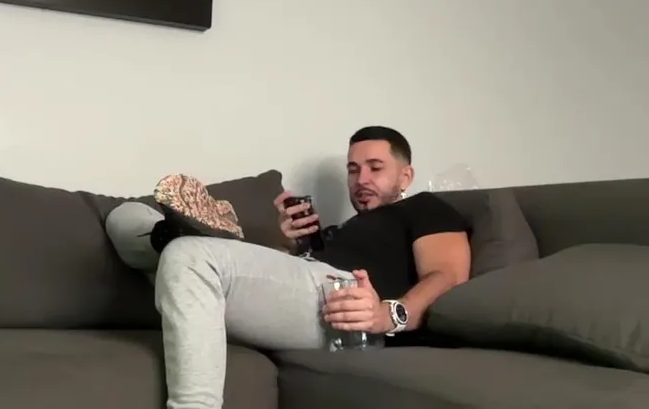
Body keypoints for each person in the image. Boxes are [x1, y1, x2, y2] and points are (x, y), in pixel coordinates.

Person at [104, 126, 472, 409]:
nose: (361, 180)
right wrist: (286, 244)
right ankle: (177, 235)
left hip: (343, 299)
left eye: (375, 168)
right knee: (126, 215)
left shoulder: (425, 207)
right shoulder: (339, 229)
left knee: (190, 256)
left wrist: (388, 314)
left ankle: (197, 241)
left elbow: (449, 276)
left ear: (405, 176)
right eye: (353, 169)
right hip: (299, 280)